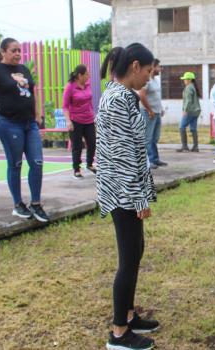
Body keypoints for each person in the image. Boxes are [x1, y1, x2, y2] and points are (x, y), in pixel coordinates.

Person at [97, 44, 160, 350]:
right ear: (135, 66)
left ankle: (129, 314)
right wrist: (139, 201)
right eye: (148, 71)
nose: (149, 78)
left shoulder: (121, 95)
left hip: (126, 188)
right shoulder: (118, 99)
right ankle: (119, 333)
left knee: (136, 253)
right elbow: (123, 156)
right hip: (123, 192)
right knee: (129, 260)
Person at [0, 37, 48, 222]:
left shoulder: (23, 69)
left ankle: (35, 204)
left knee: (37, 163)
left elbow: (32, 93)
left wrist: (38, 116)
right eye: (13, 50)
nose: (18, 54)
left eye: (19, 50)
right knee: (15, 164)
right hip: (8, 123)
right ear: (3, 52)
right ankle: (18, 205)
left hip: (29, 124)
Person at [63, 64, 96, 179]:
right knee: (77, 146)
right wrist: (68, 121)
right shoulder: (70, 87)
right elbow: (65, 106)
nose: (89, 76)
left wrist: (93, 114)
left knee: (92, 142)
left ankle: (90, 164)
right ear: (79, 75)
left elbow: (89, 100)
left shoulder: (87, 84)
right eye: (87, 74)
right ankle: (76, 169)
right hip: (75, 120)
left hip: (89, 119)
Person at [138, 59, 167, 169]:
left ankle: (155, 158)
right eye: (159, 67)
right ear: (153, 67)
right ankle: (148, 161)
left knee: (155, 137)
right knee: (147, 138)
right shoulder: (146, 80)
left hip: (156, 112)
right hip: (148, 112)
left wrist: (161, 108)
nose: (161, 69)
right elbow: (141, 95)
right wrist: (149, 110)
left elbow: (156, 96)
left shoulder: (156, 79)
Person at [177, 71, 201, 153]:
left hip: (190, 111)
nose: (184, 81)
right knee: (193, 128)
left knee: (181, 127)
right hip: (196, 111)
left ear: (189, 80)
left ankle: (184, 146)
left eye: (185, 79)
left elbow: (188, 100)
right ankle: (195, 146)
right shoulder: (193, 86)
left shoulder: (188, 88)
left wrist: (185, 110)